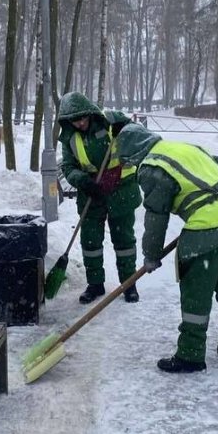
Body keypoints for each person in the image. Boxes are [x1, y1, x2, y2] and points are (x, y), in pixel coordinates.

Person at [115, 123, 218, 373]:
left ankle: (190, 354)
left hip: (209, 225)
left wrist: (151, 255)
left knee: (196, 290)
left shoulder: (153, 166)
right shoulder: (182, 147)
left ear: (133, 153)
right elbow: (217, 163)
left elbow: (156, 216)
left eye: (128, 161)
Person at [58, 92, 142, 304]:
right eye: (75, 120)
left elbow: (139, 135)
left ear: (89, 112)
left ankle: (129, 283)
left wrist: (125, 127)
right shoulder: (70, 137)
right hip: (91, 193)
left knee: (124, 241)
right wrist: (82, 181)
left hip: (120, 190)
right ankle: (95, 284)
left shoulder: (110, 121)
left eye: (83, 117)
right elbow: (68, 167)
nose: (80, 123)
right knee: (90, 241)